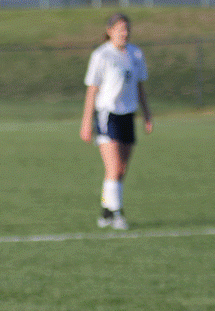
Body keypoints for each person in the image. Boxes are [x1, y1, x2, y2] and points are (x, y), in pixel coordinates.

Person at [80, 13, 152, 231]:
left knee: (120, 169)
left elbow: (139, 86)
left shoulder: (135, 53)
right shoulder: (101, 55)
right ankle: (118, 213)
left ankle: (106, 210)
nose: (124, 32)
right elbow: (92, 90)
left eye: (127, 28)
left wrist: (147, 114)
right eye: (120, 28)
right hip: (107, 114)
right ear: (110, 31)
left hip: (127, 115)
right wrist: (86, 121)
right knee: (112, 167)